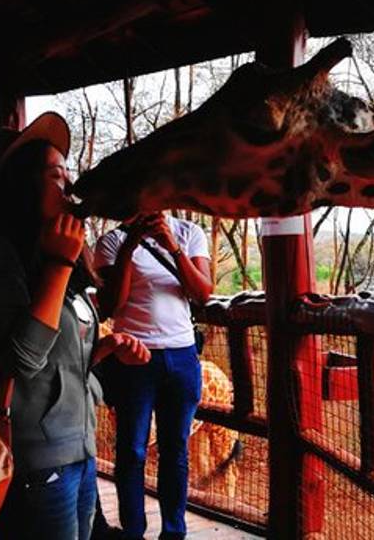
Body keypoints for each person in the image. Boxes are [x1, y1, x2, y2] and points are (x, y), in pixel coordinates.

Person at [0, 112, 150, 540]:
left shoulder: (54, 254)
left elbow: (53, 361)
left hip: (79, 448)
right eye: (55, 175)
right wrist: (60, 264)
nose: (70, 186)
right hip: (33, 460)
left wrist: (105, 350)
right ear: (20, 186)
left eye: (68, 174)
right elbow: (21, 360)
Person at [94, 212, 212, 540]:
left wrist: (173, 247)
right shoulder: (112, 241)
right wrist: (130, 245)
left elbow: (202, 293)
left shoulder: (189, 233)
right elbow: (113, 305)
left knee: (175, 449)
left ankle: (174, 532)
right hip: (133, 357)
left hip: (182, 356)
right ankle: (133, 531)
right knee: (132, 450)